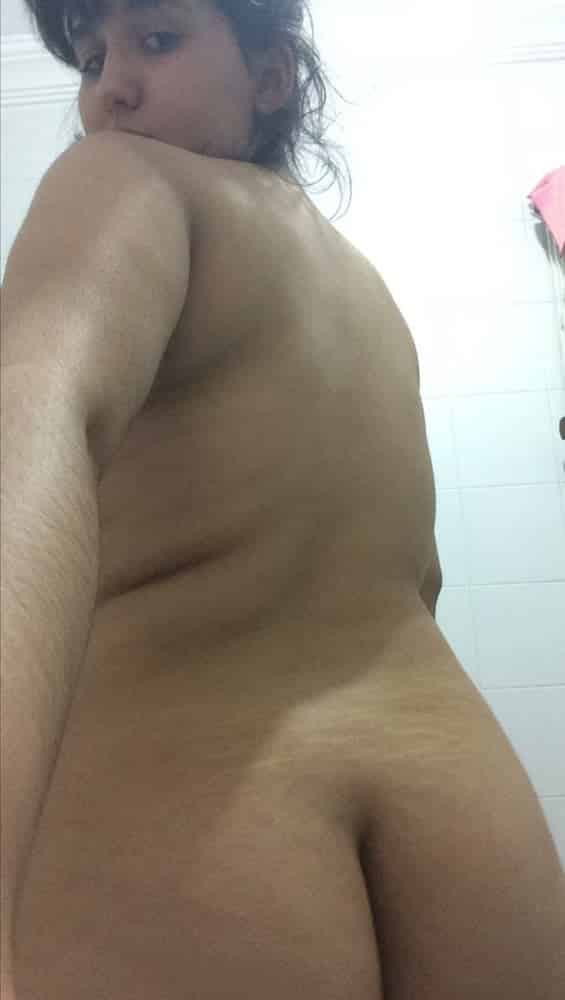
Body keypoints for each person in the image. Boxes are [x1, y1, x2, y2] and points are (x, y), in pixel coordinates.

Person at [2, 3, 564, 998]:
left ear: (271, 77)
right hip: (472, 816)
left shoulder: (123, 181)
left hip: (199, 790)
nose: (111, 88)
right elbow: (418, 581)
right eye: (90, 60)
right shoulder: (370, 296)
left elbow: (30, 429)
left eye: (157, 40)